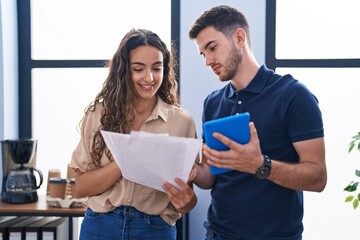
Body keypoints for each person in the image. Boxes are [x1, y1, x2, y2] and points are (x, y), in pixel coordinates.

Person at [188, 5, 327, 240]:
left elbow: (318, 177)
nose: (208, 61)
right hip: (217, 234)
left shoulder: (293, 95)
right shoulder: (212, 103)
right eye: (203, 54)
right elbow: (212, 178)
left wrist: (260, 165)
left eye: (212, 48)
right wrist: (192, 172)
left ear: (239, 37)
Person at [69, 28, 198, 240]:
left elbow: (187, 201)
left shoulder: (182, 122)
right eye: (138, 69)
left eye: (157, 68)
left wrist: (187, 201)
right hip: (101, 226)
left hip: (155, 229)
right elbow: (81, 187)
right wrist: (128, 159)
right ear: (123, 71)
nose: (149, 77)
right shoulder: (98, 115)